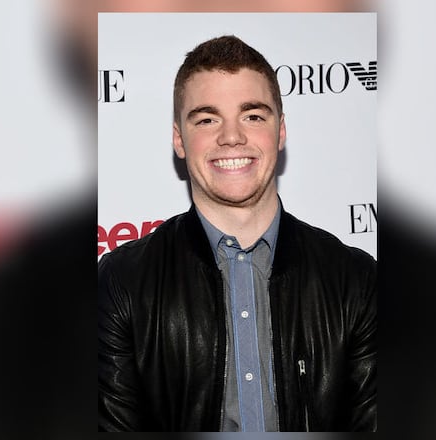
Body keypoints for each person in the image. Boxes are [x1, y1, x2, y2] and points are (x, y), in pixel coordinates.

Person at [98, 35, 377, 432]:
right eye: (207, 119)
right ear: (179, 139)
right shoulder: (122, 282)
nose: (231, 136)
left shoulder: (355, 280)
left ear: (280, 132)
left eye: (253, 115)